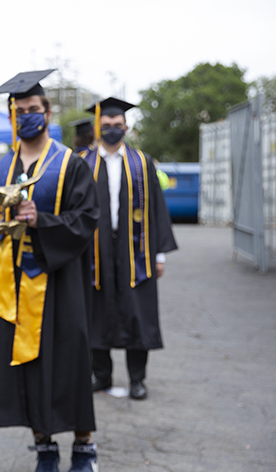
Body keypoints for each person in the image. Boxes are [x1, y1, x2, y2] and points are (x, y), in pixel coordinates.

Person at [0, 69, 100, 472]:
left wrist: (42, 220)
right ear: (12, 115)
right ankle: (43, 448)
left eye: (34, 110)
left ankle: (83, 448)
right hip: (11, 285)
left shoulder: (69, 164)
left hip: (60, 282)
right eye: (20, 111)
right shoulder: (0, 168)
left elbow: (87, 220)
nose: (27, 116)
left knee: (70, 361)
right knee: (23, 367)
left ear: (47, 112)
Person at [81, 97, 177, 400]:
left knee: (137, 313)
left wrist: (159, 254)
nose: (111, 130)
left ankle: (137, 379)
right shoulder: (82, 163)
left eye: (117, 126)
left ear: (127, 127)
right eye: (106, 126)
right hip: (95, 252)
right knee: (96, 313)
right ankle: (102, 375)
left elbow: (158, 210)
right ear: (98, 127)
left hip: (137, 250)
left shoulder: (141, 162)